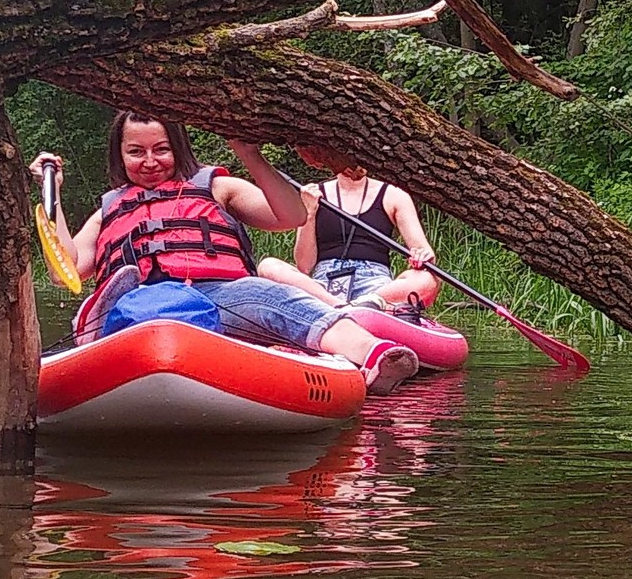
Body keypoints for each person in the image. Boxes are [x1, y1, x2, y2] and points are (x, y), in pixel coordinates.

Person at [31, 112, 417, 393]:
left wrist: (249, 153)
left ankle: (374, 355)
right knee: (125, 303)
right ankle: (108, 331)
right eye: (136, 152)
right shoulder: (110, 208)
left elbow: (291, 215)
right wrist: (53, 194)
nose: (149, 162)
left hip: (218, 296)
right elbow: (65, 268)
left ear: (178, 147)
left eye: (161, 150)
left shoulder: (215, 187)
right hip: (136, 302)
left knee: (275, 297)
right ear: (120, 155)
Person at [257, 150, 441, 315]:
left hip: (376, 287)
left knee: (427, 279)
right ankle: (340, 307)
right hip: (323, 284)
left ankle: (364, 306)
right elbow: (304, 266)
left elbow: (422, 251)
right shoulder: (313, 194)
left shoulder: (394, 195)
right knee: (268, 266)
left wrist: (424, 256)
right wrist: (310, 213)